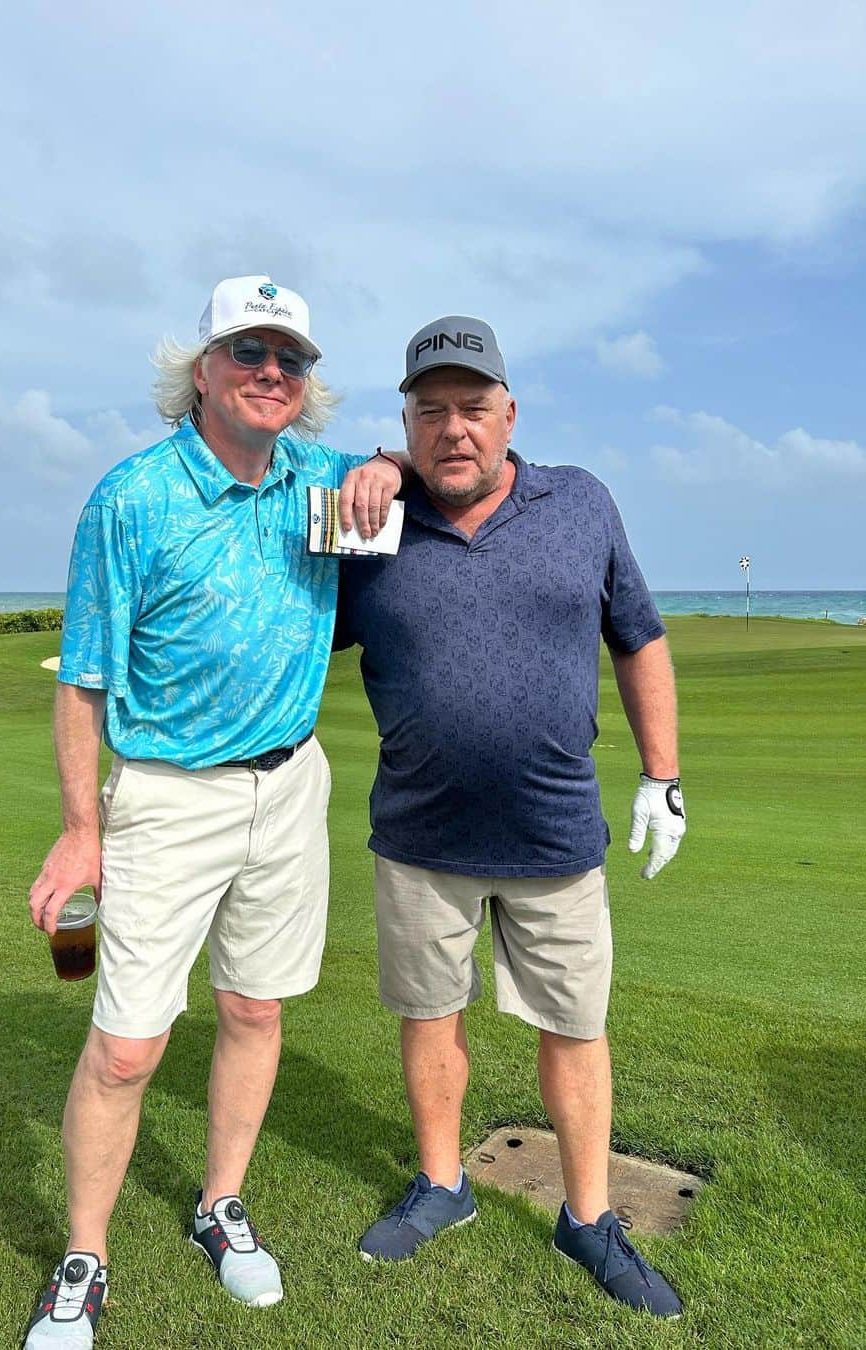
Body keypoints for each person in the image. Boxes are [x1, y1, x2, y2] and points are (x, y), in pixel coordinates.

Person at [23, 276, 405, 1346]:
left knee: (255, 1009)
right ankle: (85, 1257)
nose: (271, 373)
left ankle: (218, 1204)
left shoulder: (321, 482)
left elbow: (421, 469)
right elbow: (83, 677)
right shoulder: (133, 497)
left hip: (288, 787)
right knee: (128, 1048)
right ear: (201, 371)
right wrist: (82, 826)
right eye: (248, 352)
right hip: (165, 798)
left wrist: (386, 459)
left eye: (291, 359)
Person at [335, 315, 687, 1318]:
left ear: (509, 414)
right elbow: (287, 617)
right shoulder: (372, 520)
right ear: (405, 422)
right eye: (430, 410)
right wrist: (364, 471)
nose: (455, 429)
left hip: (553, 833)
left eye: (473, 408)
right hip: (419, 835)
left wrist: (663, 775)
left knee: (574, 1027)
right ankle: (444, 1184)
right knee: (427, 1017)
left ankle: (587, 1216)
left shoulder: (580, 502)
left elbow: (639, 637)